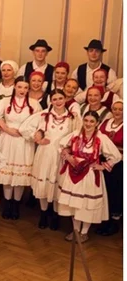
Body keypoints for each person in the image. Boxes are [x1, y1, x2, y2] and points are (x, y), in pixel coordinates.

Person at [56, 110, 121, 241]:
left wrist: (102, 166)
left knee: (87, 204)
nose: (88, 124)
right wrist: (68, 155)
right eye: (86, 120)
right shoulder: (76, 134)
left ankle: (84, 232)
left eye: (92, 121)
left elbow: (116, 156)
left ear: (97, 123)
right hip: (74, 173)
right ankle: (75, 230)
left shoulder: (101, 138)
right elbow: (62, 146)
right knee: (74, 204)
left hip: (90, 175)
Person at [21, 90, 79, 229]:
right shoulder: (44, 115)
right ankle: (43, 213)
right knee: (44, 183)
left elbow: (77, 136)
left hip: (61, 156)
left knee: (57, 183)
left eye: (60, 98)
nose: (58, 102)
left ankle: (55, 214)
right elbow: (25, 128)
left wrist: (69, 149)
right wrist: (37, 137)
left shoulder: (73, 117)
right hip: (45, 153)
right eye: (54, 99)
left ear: (65, 99)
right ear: (50, 101)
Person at [0, 77, 41, 219]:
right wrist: (5, 128)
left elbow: (39, 124)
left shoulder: (34, 104)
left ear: (28, 89)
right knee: (7, 172)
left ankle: (16, 204)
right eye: (19, 87)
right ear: (15, 87)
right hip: (7, 139)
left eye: (25, 87)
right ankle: (7, 203)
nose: (22, 90)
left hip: (24, 142)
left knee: (20, 174)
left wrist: (27, 132)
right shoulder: (5, 102)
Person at [97, 98, 123, 236]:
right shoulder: (106, 123)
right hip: (103, 162)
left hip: (120, 164)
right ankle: (104, 220)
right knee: (105, 190)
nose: (117, 111)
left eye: (121, 109)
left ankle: (114, 222)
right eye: (115, 109)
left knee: (116, 192)